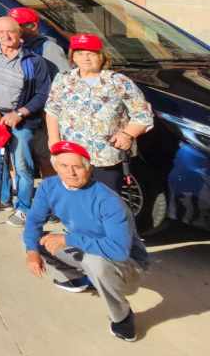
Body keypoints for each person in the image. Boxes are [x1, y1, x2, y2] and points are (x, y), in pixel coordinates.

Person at [23, 141, 148, 342]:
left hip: (128, 265)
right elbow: (33, 221)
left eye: (77, 167)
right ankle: (78, 278)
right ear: (55, 167)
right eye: (64, 166)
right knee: (41, 241)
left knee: (94, 262)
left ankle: (122, 317)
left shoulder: (108, 200)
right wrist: (31, 251)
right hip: (88, 247)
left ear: (88, 169)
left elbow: (118, 250)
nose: (71, 172)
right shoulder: (48, 186)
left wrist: (67, 238)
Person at [0, 16, 53, 226]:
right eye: (0, 32)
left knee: (22, 166)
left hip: (20, 121)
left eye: (11, 32)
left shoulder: (34, 61)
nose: (6, 36)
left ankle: (24, 207)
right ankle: (1, 196)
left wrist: (20, 113)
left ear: (20, 33)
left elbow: (43, 94)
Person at [45, 33, 153, 193]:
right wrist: (54, 142)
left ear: (102, 56)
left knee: (105, 200)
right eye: (80, 53)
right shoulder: (63, 79)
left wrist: (128, 134)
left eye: (91, 53)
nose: (85, 58)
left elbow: (143, 114)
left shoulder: (118, 81)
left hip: (106, 157)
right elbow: (52, 111)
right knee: (75, 199)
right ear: (72, 56)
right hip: (71, 156)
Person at [10, 7, 70, 76]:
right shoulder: (13, 46)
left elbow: (65, 78)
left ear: (33, 26)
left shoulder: (48, 48)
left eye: (16, 25)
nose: (10, 29)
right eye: (9, 25)